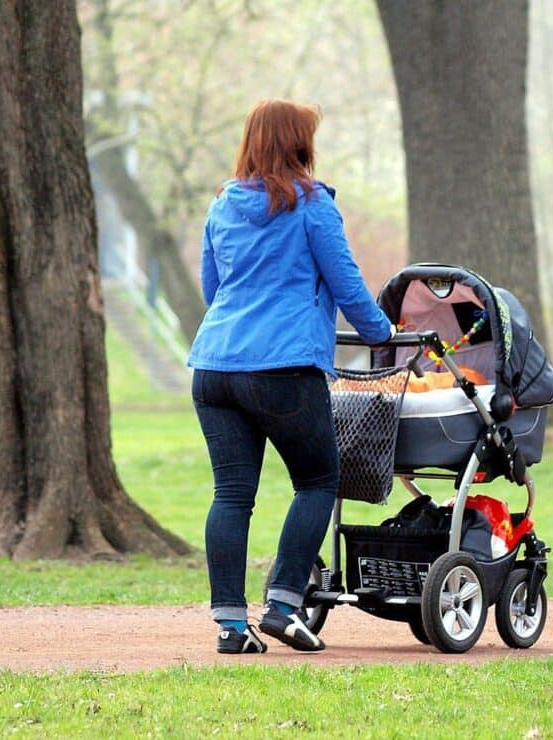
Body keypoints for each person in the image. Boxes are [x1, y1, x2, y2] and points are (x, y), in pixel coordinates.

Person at [187, 99, 394, 654]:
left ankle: (231, 627)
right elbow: (349, 287)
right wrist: (382, 334)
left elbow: (214, 290)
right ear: (299, 143)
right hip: (281, 367)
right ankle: (282, 605)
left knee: (231, 494)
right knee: (319, 481)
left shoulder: (222, 205)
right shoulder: (312, 206)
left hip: (214, 366)